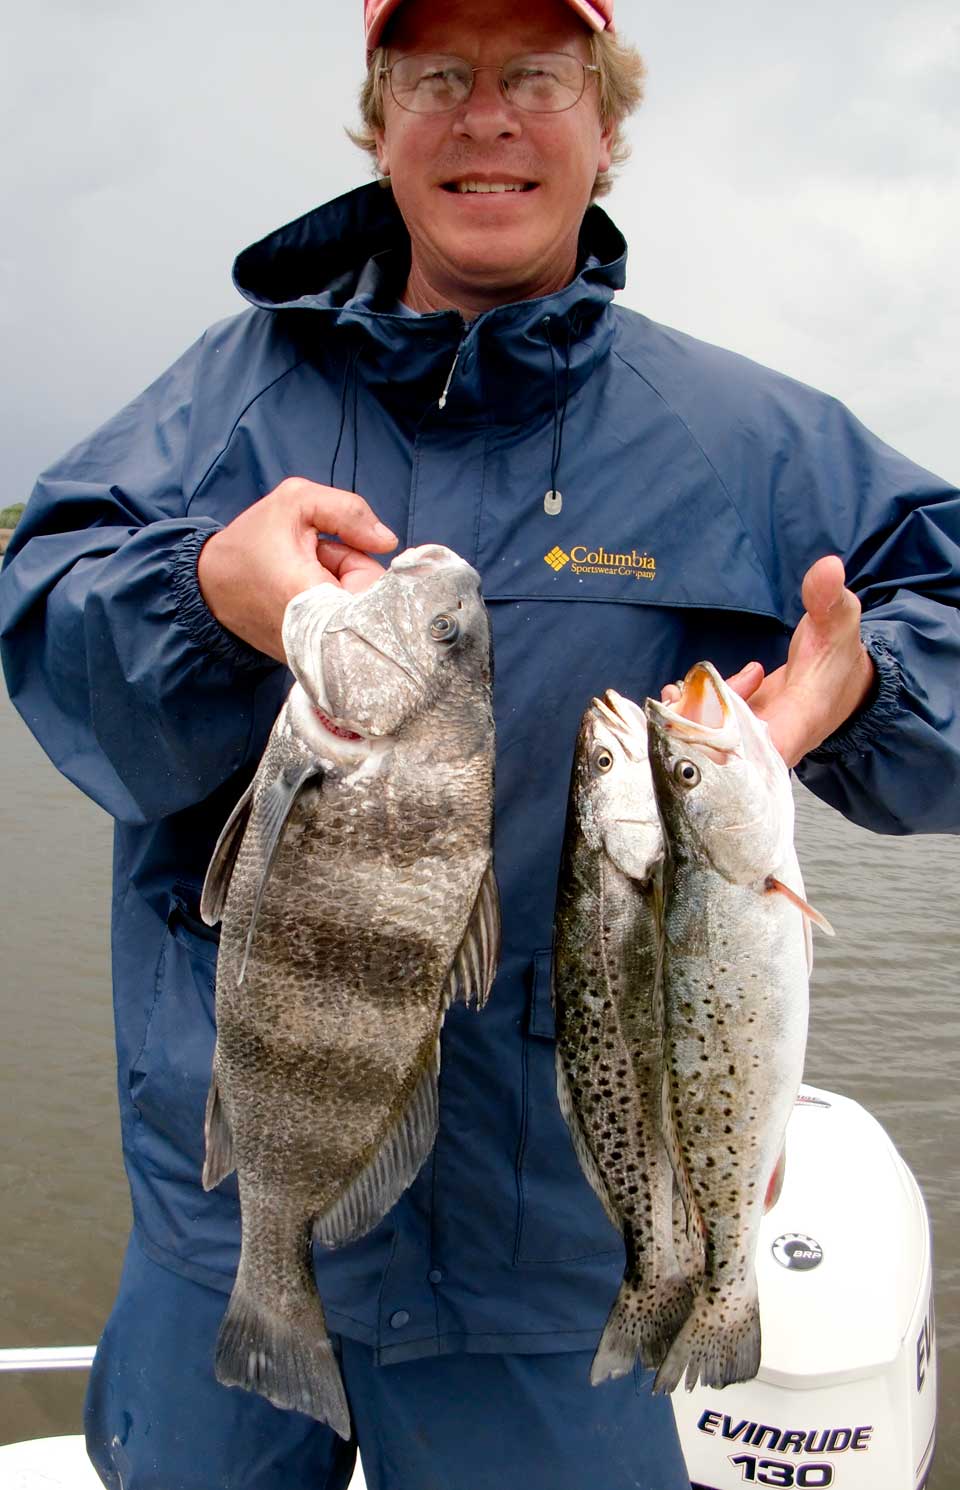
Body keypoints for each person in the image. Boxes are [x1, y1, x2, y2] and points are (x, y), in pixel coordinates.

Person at [1, 0, 958, 1486]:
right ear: (379, 121)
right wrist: (199, 595)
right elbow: (49, 638)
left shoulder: (743, 437)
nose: (488, 117)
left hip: (548, 1272)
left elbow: (938, 626)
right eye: (438, 77)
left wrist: (862, 684)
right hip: (235, 1227)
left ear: (607, 123)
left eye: (538, 77)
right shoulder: (218, 405)